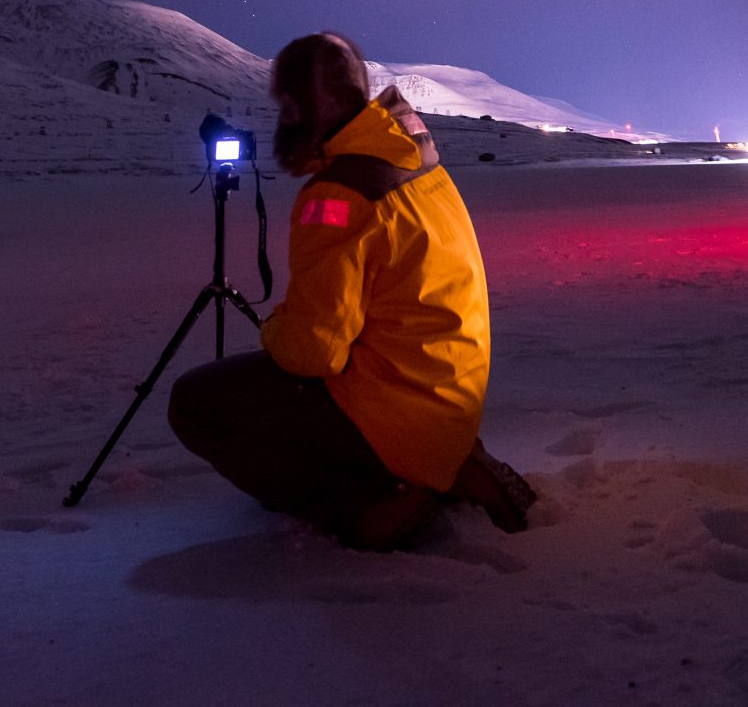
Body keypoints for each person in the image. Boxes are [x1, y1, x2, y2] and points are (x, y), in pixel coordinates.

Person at [168, 31, 536, 549]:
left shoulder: (340, 196)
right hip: (448, 390)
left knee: (195, 403)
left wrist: (274, 328)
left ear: (299, 105)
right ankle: (445, 461)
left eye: (287, 104)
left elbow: (314, 354)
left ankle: (374, 501)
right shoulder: (411, 156)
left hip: (399, 407)